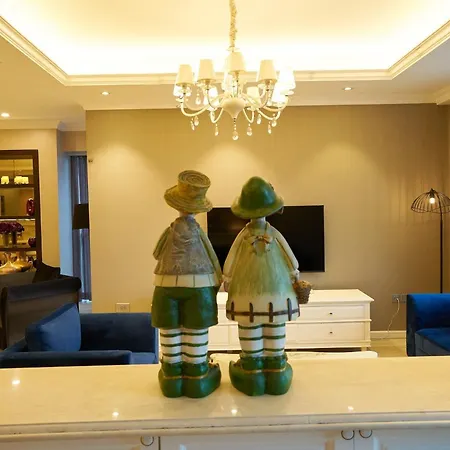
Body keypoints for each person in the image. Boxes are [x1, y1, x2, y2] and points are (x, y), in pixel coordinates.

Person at [224, 176, 305, 396]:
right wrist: (294, 276)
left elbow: (229, 262)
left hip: (245, 294)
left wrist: (227, 278)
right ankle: (275, 368)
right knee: (275, 327)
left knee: (249, 327)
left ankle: (253, 369)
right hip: (277, 293)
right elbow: (292, 260)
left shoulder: (243, 235)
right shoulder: (273, 234)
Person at [152, 170, 222, 398]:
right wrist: (219, 278)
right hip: (199, 286)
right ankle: (197, 372)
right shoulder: (199, 232)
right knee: (195, 329)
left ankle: (172, 373)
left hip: (166, 285)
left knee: (170, 330)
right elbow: (212, 256)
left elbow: (156, 253)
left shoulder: (170, 230)